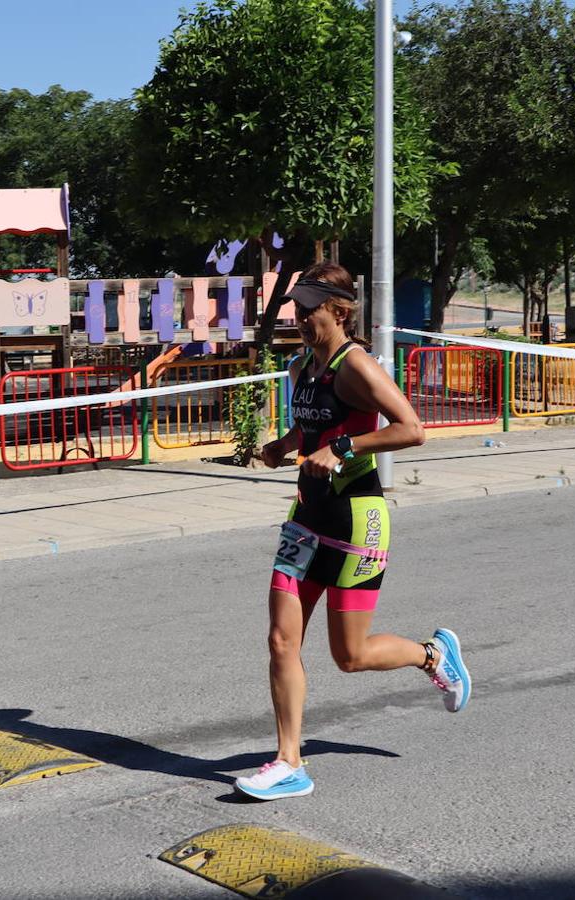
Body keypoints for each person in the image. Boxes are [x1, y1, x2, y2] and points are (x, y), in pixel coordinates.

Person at [234, 262, 472, 801]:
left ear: (338, 312)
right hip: (305, 518)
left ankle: (432, 655)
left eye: (307, 310)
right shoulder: (301, 367)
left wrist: (340, 450)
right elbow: (311, 426)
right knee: (280, 640)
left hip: (356, 518)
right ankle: (289, 762)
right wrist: (283, 446)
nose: (298, 318)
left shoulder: (355, 365)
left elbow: (411, 429)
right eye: (295, 308)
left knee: (351, 656)